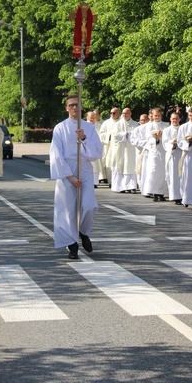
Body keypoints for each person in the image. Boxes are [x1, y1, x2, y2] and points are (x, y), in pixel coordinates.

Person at [50, 94, 103, 259]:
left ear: (81, 108)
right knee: (68, 210)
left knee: (89, 205)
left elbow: (97, 152)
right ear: (67, 108)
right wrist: (69, 176)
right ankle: (72, 245)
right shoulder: (60, 128)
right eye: (71, 105)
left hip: (85, 167)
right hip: (67, 169)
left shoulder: (88, 127)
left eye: (76, 105)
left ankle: (84, 232)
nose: (74, 108)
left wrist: (84, 138)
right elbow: (56, 154)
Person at [138, 108, 169, 201]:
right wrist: (156, 138)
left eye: (159, 115)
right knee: (153, 171)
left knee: (163, 171)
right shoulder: (149, 126)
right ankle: (154, 192)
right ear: (152, 115)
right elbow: (148, 137)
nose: (157, 117)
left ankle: (162, 193)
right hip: (154, 151)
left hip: (163, 150)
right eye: (155, 115)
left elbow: (168, 136)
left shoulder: (166, 125)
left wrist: (162, 137)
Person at [110, 108, 139, 193]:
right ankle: (120, 187)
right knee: (120, 166)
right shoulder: (117, 124)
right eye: (123, 113)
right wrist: (126, 134)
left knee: (131, 166)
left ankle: (131, 186)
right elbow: (115, 135)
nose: (125, 115)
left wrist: (130, 135)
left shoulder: (135, 124)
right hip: (120, 149)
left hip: (131, 149)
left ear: (130, 114)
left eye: (127, 113)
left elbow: (137, 135)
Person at [162, 112, 183, 204]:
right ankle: (175, 196)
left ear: (180, 119)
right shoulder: (167, 130)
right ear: (170, 119)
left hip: (182, 154)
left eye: (176, 118)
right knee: (173, 175)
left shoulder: (182, 128)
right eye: (173, 119)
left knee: (182, 176)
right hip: (172, 155)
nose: (175, 120)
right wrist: (173, 144)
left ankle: (183, 195)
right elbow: (165, 142)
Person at [99, 107, 121, 187]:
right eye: (111, 113)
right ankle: (111, 181)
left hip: (120, 147)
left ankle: (119, 182)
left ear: (118, 113)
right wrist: (110, 135)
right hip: (110, 147)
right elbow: (101, 134)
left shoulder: (122, 122)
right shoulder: (106, 123)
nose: (112, 114)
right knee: (110, 163)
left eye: (114, 113)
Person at [87, 111, 106, 187]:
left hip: (95, 149)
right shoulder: (84, 125)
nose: (92, 119)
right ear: (87, 118)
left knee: (96, 166)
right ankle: (89, 181)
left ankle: (95, 182)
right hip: (87, 149)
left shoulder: (99, 126)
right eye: (91, 117)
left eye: (94, 117)